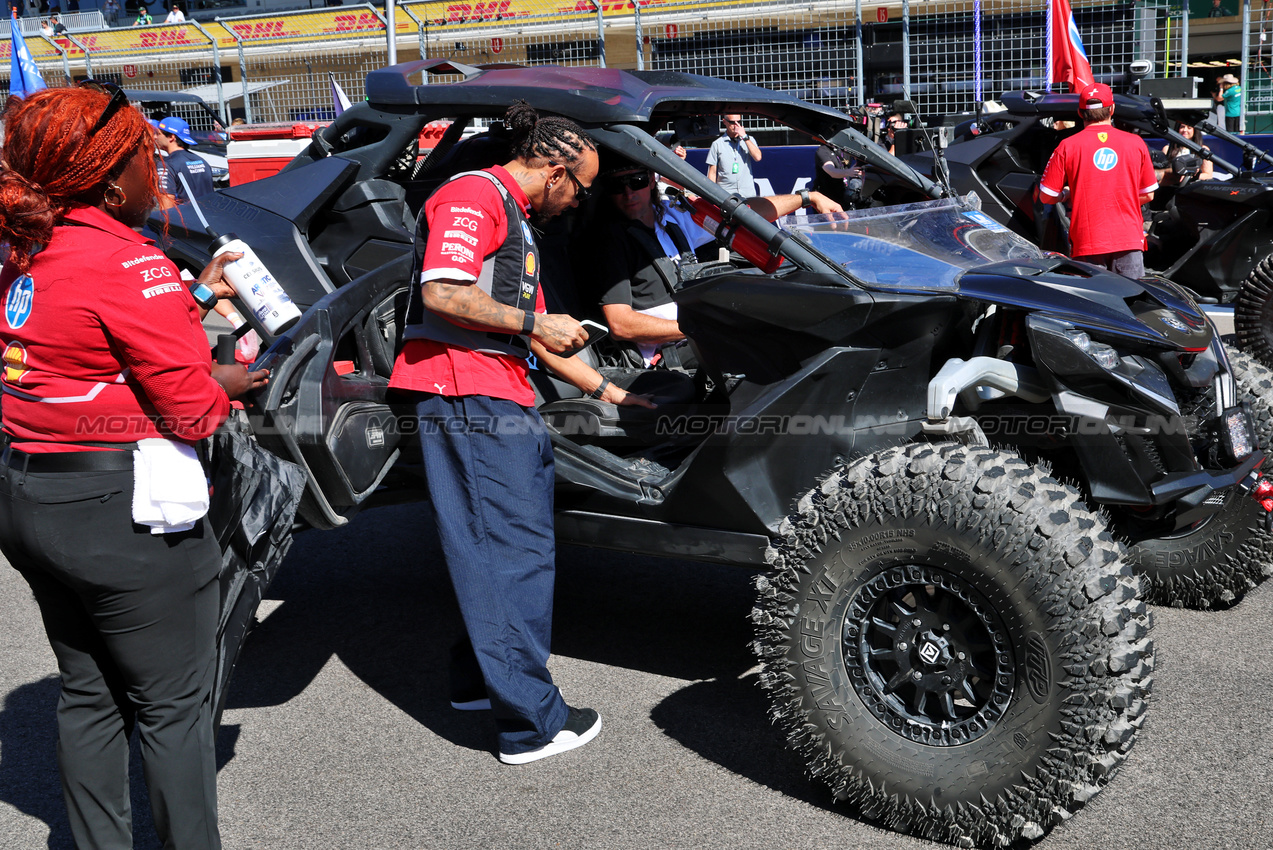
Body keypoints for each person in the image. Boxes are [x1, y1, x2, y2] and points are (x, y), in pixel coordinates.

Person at [0, 83, 267, 850]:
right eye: (151, 159)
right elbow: (190, 409)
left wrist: (190, 295)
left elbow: (78, 346)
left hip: (29, 492)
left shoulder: (24, 244)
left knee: (87, 695)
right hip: (118, 508)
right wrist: (235, 381)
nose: (162, 173)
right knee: (175, 708)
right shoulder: (127, 261)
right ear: (114, 179)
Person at [388, 101, 610, 766]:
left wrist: (614, 391)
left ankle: (476, 686)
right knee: (508, 554)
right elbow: (445, 292)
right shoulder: (473, 196)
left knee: (494, 551)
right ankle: (530, 725)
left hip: (490, 391)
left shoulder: (510, 216)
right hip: (466, 394)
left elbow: (535, 332)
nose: (578, 202)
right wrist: (536, 326)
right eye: (582, 188)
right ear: (553, 170)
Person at [590, 160, 843, 366]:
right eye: (616, 186)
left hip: (698, 336)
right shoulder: (608, 241)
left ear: (652, 180)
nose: (628, 192)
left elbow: (743, 216)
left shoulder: (671, 217)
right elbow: (620, 324)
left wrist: (807, 197)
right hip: (668, 354)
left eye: (637, 181)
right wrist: (701, 327)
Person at [1037, 82, 1157, 279]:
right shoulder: (1136, 143)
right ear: (1112, 109)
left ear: (1080, 112)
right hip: (1128, 239)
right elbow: (1148, 193)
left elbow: (1046, 196)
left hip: (1087, 240)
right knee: (1132, 303)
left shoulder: (1067, 146)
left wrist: (1067, 193)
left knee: (1093, 305)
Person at [157, 115, 214, 202]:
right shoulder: (202, 161)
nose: (155, 137)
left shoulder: (166, 164)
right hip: (208, 214)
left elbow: (167, 206)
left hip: (184, 215)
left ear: (171, 137)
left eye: (158, 134)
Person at [705, 114, 761, 197]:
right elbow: (712, 173)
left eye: (739, 122)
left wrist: (745, 137)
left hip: (747, 193)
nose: (736, 125)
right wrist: (711, 194)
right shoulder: (717, 144)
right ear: (725, 122)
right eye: (732, 122)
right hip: (726, 193)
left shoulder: (749, 140)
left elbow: (758, 157)